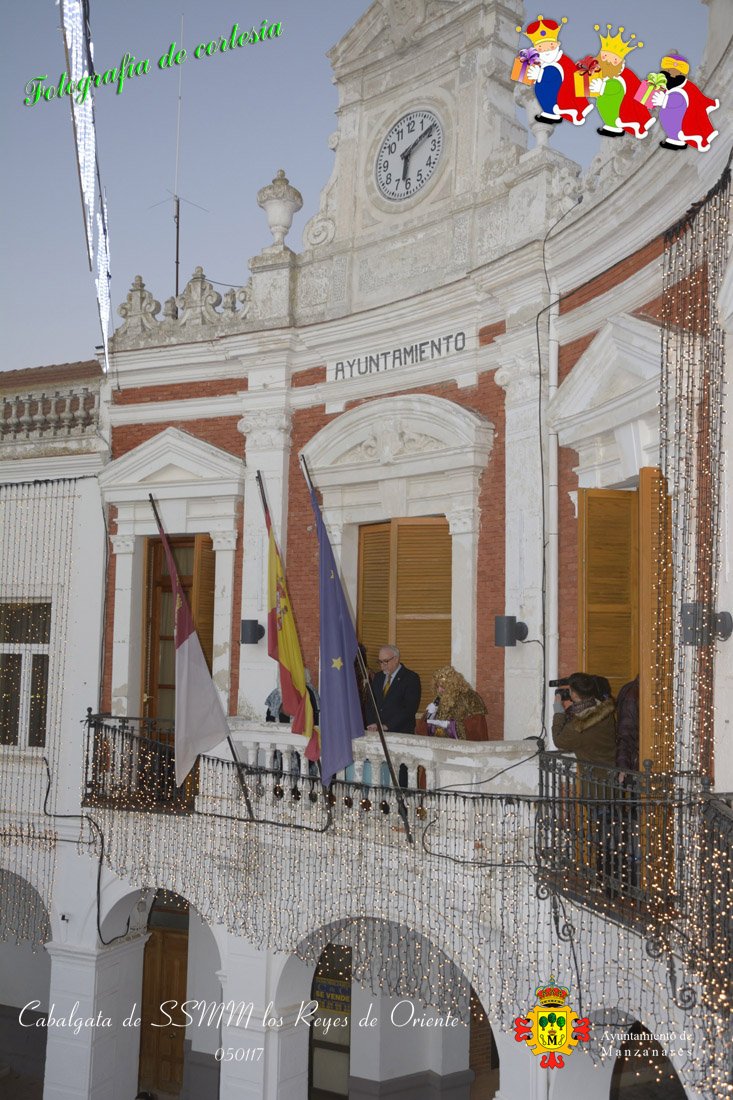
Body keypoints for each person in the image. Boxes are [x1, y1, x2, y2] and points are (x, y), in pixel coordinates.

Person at [553, 671, 617, 891]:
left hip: (594, 786)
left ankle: (603, 882)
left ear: (573, 694)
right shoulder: (605, 710)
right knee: (611, 834)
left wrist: (558, 711)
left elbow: (560, 740)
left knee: (600, 838)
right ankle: (610, 880)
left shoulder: (579, 726)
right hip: (611, 782)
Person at [519, 15, 592, 127]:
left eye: (550, 46)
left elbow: (559, 76)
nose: (546, 50)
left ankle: (557, 111)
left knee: (549, 71)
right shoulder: (538, 60)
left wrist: (540, 74)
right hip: (550, 97)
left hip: (563, 95)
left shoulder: (563, 61)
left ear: (557, 45)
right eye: (541, 48)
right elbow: (523, 75)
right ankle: (550, 113)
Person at [588, 25, 655, 139]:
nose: (608, 61)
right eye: (604, 57)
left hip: (621, 110)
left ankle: (627, 123)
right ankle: (612, 126)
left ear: (619, 62)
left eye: (614, 59)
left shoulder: (621, 76)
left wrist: (602, 88)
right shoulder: (600, 74)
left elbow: (617, 88)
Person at [651, 52, 719, 152]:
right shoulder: (666, 86)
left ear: (683, 74)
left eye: (677, 73)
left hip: (683, 123)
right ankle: (675, 141)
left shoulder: (686, 88)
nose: (672, 75)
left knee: (677, 126)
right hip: (673, 125)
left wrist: (664, 100)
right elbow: (650, 98)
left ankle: (678, 138)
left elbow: (678, 101)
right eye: (668, 71)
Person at [364, 645, 421, 734]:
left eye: (385, 661)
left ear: (396, 659)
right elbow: (370, 703)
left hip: (400, 733)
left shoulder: (411, 678)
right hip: (376, 731)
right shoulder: (378, 677)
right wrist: (372, 724)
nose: (382, 666)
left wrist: (387, 726)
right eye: (380, 662)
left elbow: (410, 709)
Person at [422, 665, 488, 740]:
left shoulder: (470, 697)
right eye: (437, 686)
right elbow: (421, 729)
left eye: (443, 686)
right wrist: (429, 715)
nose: (439, 690)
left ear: (452, 685)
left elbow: (477, 728)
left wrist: (451, 725)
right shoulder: (439, 699)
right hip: (439, 744)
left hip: (460, 745)